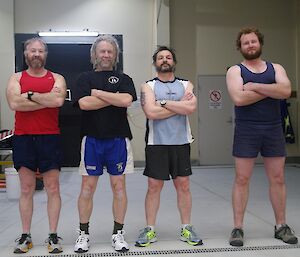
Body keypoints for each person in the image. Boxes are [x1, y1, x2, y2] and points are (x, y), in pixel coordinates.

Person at [226, 27, 298, 247]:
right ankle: (237, 228)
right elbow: (238, 98)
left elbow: (286, 91)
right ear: (240, 47)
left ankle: (281, 226)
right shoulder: (235, 71)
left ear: (260, 44)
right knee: (242, 179)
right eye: (246, 42)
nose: (250, 45)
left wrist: (256, 86)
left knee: (277, 179)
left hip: (273, 128)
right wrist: (271, 90)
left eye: (253, 41)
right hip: (247, 129)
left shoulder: (275, 68)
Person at [73, 35, 137, 253]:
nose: (106, 55)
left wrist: (98, 93)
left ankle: (118, 233)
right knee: (87, 188)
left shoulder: (124, 78)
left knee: (118, 187)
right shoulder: (84, 77)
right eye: (102, 51)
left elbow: (127, 100)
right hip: (91, 140)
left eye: (110, 51)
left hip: (118, 139)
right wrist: (113, 98)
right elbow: (84, 104)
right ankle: (83, 234)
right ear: (94, 54)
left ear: (115, 55)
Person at [135, 46, 202, 247]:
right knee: (154, 187)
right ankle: (150, 230)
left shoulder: (185, 84)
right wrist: (176, 106)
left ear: (174, 61)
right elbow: (151, 113)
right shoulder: (147, 86)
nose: (165, 60)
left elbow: (190, 107)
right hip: (157, 144)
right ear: (155, 63)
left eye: (169, 57)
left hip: (181, 143)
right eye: (161, 57)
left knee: (183, 186)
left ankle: (186, 228)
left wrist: (161, 103)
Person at [6, 37, 67, 254]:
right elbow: (14, 103)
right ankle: (26, 236)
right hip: (23, 138)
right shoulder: (16, 78)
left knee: (53, 188)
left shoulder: (57, 78)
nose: (37, 54)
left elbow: (58, 101)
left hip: (50, 137)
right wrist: (45, 99)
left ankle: (52, 235)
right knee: (26, 188)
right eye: (33, 51)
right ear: (26, 54)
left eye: (41, 51)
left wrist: (29, 96)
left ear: (46, 54)